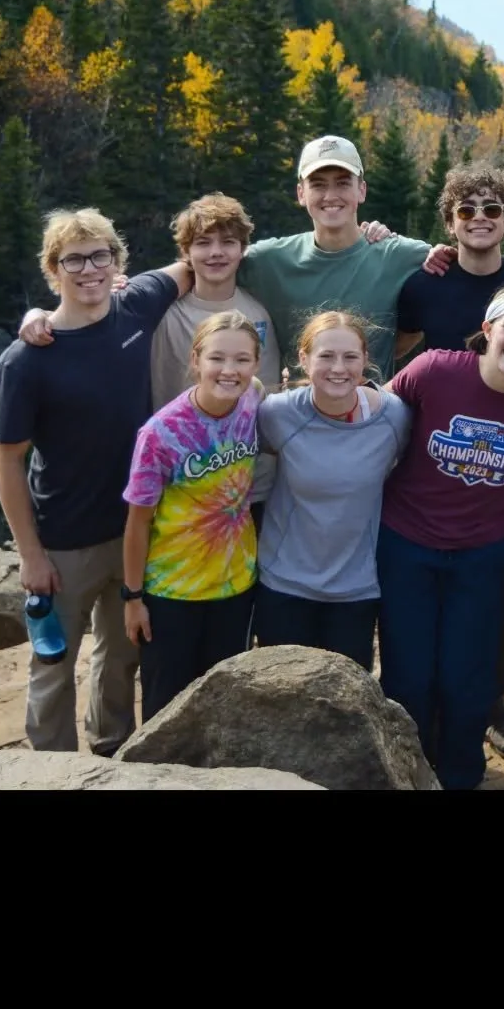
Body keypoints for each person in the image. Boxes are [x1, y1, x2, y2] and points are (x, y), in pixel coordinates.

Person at [0, 208, 189, 755]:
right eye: (73, 260)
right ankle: (50, 768)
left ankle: (111, 755)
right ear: (53, 271)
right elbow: (7, 462)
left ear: (117, 261)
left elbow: (197, 262)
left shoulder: (137, 306)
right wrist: (29, 555)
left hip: (133, 532)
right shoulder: (26, 360)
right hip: (62, 542)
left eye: (100, 255)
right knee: (53, 665)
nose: (88, 269)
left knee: (121, 657)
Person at [379, 287, 504, 791]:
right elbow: (378, 421)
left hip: (482, 552)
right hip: (406, 542)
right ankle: (408, 772)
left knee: (466, 675)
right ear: (487, 331)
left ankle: (462, 774)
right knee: (409, 674)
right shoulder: (434, 370)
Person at [396, 162, 504, 763]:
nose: (480, 219)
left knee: (501, 592)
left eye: (492, 209)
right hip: (432, 464)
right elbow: (402, 360)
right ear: (450, 222)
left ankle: (491, 705)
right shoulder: (422, 284)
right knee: (420, 593)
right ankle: (423, 711)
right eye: (467, 210)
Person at [238, 134, 504, 382]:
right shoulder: (270, 259)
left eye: (343, 182)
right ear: (301, 193)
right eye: (318, 184)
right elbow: (214, 266)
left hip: (373, 421)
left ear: (362, 190)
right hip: (296, 416)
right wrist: (186, 271)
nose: (331, 194)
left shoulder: (401, 254)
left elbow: (472, 250)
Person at [121, 311, 262, 721]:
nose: (229, 370)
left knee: (224, 707)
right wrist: (132, 598)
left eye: (241, 359)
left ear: (255, 363)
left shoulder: (251, 397)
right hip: (172, 594)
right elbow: (138, 522)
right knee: (167, 710)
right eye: (217, 358)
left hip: (235, 588)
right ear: (195, 359)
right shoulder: (160, 434)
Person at [253, 310, 411, 670]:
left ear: (366, 360)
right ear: (304, 360)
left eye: (350, 357)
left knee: (345, 705)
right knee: (284, 697)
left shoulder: (394, 417)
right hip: (284, 584)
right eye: (325, 356)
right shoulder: (277, 414)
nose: (338, 368)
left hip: (356, 588)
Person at [150, 193, 281, 533]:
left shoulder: (258, 312)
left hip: (250, 485)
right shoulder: (163, 313)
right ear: (187, 253)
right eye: (203, 243)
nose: (216, 253)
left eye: (228, 242)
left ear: (243, 249)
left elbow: (267, 396)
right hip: (182, 479)